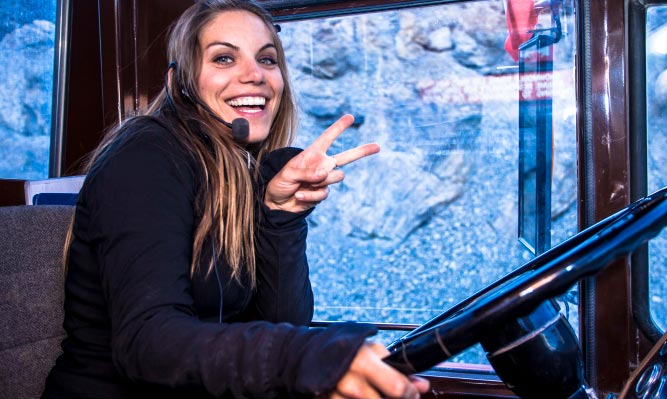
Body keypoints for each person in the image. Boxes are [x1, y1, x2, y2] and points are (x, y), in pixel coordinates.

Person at [42, 0, 430, 398]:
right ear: (181, 84)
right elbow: (148, 343)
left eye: (267, 59)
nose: (255, 75)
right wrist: (307, 357)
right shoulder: (145, 157)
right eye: (225, 58)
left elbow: (284, 321)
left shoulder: (238, 171)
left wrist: (281, 217)